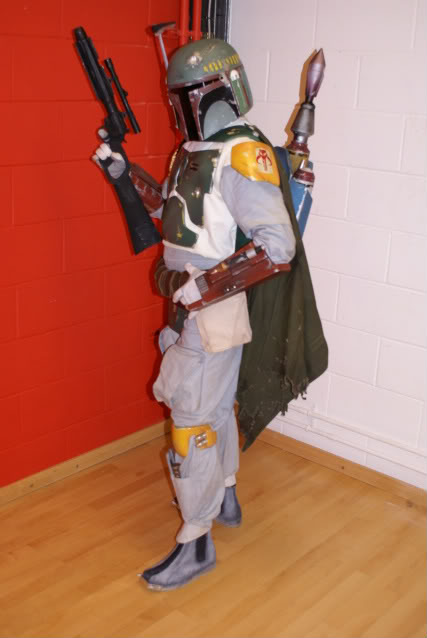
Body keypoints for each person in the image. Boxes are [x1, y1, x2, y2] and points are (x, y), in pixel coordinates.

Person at [93, 38, 327, 592]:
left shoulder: (241, 154)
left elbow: (277, 246)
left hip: (209, 308)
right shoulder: (195, 151)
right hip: (191, 305)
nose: (182, 106)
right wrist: (126, 172)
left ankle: (196, 540)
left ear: (217, 92)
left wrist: (201, 289)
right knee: (214, 409)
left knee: (191, 423)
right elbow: (174, 214)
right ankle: (224, 495)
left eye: (188, 95)